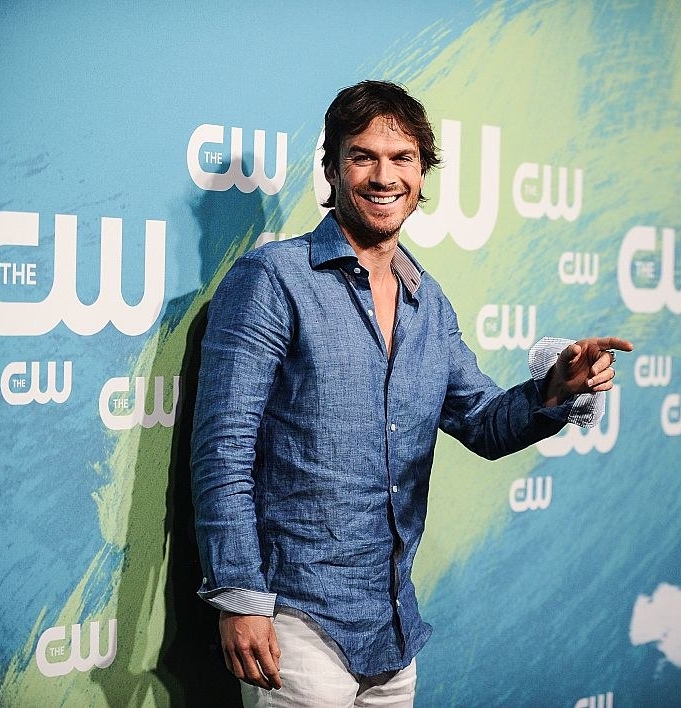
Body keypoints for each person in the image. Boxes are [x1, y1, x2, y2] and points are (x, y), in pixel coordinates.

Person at [190, 79, 633, 707]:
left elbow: (482, 421)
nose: (383, 176)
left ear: (422, 175)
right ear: (332, 169)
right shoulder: (272, 280)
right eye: (362, 156)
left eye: (402, 158)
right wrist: (239, 595)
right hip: (294, 621)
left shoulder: (428, 300)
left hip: (394, 630)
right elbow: (224, 449)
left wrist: (555, 391)